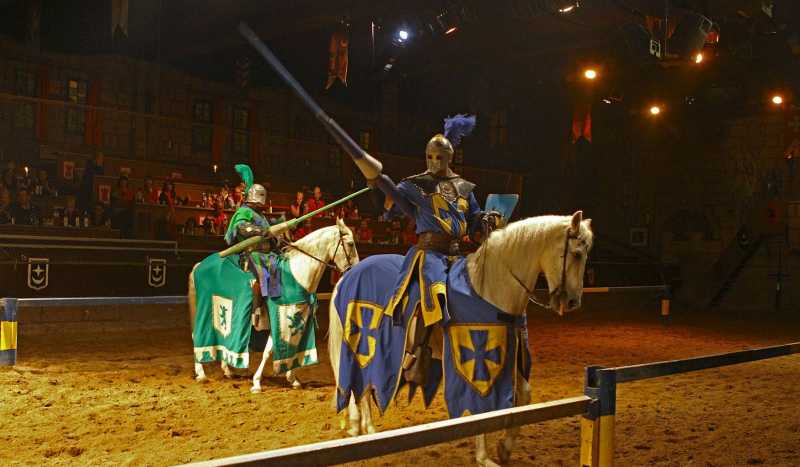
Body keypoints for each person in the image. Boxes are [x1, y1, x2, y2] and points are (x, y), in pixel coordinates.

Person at [349, 114, 501, 378]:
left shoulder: (464, 187)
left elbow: (474, 217)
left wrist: (486, 219)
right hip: (428, 253)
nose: (433, 161)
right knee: (431, 293)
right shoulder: (415, 184)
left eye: (439, 157)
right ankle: (417, 354)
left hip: (457, 253)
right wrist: (377, 187)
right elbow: (389, 207)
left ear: (449, 157)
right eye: (430, 156)